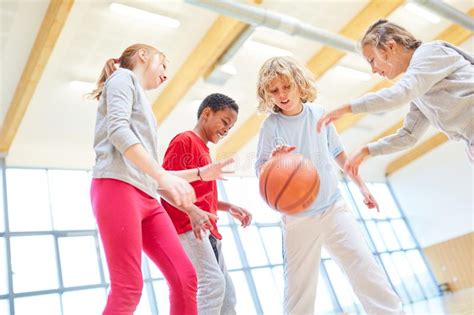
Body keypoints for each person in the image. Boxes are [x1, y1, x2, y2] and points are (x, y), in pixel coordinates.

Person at [89, 44, 232, 315]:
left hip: (146, 196)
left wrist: (200, 177)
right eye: (164, 64)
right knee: (128, 288)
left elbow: (153, 175)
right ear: (143, 55)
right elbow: (118, 131)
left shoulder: (142, 101)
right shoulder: (122, 77)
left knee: (186, 277)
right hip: (116, 187)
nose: (166, 73)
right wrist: (162, 176)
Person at [255, 56, 404, 315]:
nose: (281, 94)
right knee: (298, 290)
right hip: (298, 219)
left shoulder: (319, 113)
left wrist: (362, 187)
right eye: (274, 90)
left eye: (286, 86)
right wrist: (274, 162)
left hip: (333, 208)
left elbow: (339, 154)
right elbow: (260, 171)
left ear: (298, 83)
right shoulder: (270, 126)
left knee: (366, 269)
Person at [317, 19, 474, 175]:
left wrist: (347, 108)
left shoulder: (430, 52)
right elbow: (409, 135)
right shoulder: (418, 89)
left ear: (390, 46)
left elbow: (399, 94)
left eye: (372, 60)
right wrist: (368, 150)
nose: (373, 70)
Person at [161, 93, 252, 315]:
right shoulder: (184, 140)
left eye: (230, 127)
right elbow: (163, 184)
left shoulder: (204, 150)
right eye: (224, 122)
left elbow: (201, 196)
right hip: (187, 226)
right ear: (207, 113)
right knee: (212, 285)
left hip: (209, 229)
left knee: (227, 297)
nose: (226, 129)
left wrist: (228, 206)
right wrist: (191, 210)